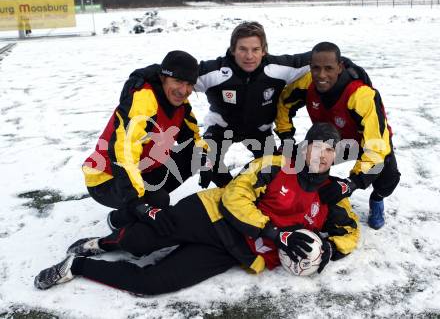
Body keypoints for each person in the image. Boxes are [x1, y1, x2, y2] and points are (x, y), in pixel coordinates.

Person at [34, 123, 360, 295]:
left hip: (235, 251)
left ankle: (75, 267)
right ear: (304, 148)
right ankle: (104, 243)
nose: (323, 155)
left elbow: (349, 231)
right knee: (138, 244)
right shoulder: (274, 166)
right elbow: (235, 197)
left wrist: (329, 249)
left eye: (330, 150)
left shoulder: (331, 196)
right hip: (208, 214)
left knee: (152, 284)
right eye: (317, 146)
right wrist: (276, 232)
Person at [126, 22, 369, 189]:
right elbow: (176, 74)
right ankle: (224, 191)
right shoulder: (215, 71)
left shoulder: (279, 68)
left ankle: (264, 194)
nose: (249, 55)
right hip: (221, 129)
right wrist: (147, 73)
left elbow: (318, 59)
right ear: (233, 49)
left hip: (260, 131)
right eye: (242, 49)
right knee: (204, 162)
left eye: (255, 49)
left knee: (279, 172)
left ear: (264, 50)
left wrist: (351, 68)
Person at [275, 42, 400, 230]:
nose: (321, 75)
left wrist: (351, 184)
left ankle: (377, 200)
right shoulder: (306, 84)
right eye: (316, 68)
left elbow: (376, 147)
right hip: (332, 141)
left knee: (388, 178)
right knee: (295, 160)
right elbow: (283, 104)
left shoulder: (361, 95)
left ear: (339, 67)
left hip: (370, 142)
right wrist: (286, 137)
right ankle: (301, 199)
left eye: (328, 68)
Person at [82, 50, 209, 234]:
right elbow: (124, 152)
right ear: (163, 77)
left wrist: (207, 164)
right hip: (106, 177)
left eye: (189, 84)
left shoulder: (180, 104)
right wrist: (136, 202)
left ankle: (145, 203)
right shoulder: (143, 99)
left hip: (141, 170)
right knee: (158, 201)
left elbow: (194, 139)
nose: (184, 90)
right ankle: (119, 220)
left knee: (195, 156)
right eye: (178, 81)